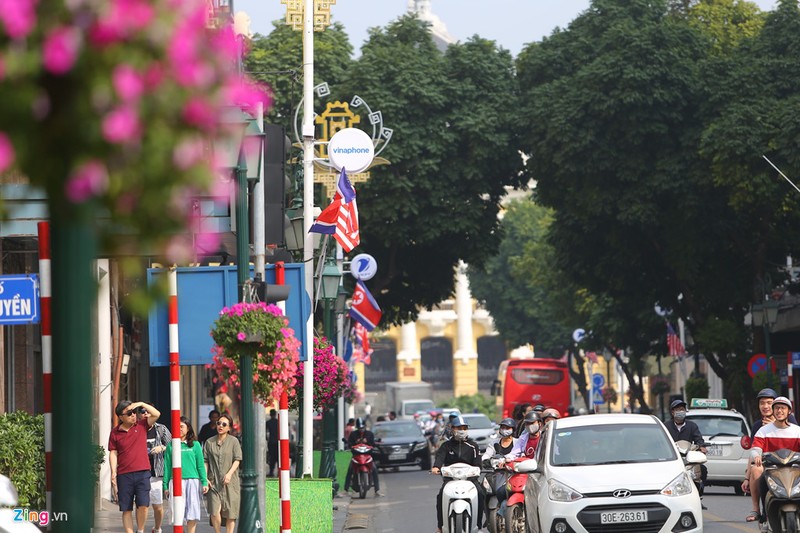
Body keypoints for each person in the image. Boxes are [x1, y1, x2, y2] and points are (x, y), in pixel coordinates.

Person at [108, 400, 161, 533]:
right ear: (121, 417)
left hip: (142, 472)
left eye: (134, 412)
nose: (133, 415)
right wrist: (113, 472)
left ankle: (141, 530)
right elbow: (113, 452)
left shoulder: (142, 425)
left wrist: (141, 404)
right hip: (124, 474)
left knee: (143, 505)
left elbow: (156, 414)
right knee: (126, 508)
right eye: (129, 413)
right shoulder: (115, 433)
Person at [747, 396, 800, 523]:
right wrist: (757, 456)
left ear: (789, 412)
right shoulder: (763, 430)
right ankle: (759, 510)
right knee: (756, 470)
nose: (779, 411)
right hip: (771, 468)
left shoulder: (797, 431)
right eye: (776, 408)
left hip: (794, 468)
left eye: (782, 408)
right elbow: (755, 448)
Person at [431, 415, 483, 533]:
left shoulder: (473, 446)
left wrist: (477, 470)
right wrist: (436, 467)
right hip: (451, 480)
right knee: (440, 497)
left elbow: (478, 464)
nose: (462, 431)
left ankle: (478, 526)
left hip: (470, 480)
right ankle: (440, 526)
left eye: (464, 428)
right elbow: (439, 459)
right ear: (452, 429)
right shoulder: (446, 446)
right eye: (459, 428)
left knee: (480, 494)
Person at [163, 416, 208, 533]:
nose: (179, 429)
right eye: (176, 427)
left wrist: (204, 482)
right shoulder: (170, 446)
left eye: (182, 426)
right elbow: (167, 466)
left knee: (192, 512)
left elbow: (200, 465)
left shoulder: (195, 445)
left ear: (188, 428)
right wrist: (165, 486)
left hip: (192, 481)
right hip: (176, 482)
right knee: (177, 512)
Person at [204, 413, 241, 533]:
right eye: (218, 423)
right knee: (214, 511)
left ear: (229, 428)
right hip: (213, 482)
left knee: (231, 512)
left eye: (224, 424)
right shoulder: (209, 442)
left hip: (230, 483)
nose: (220, 426)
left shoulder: (234, 441)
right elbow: (205, 461)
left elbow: (237, 459)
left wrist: (229, 474)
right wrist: (205, 478)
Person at [664, 399, 707, 501]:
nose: (680, 411)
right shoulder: (666, 426)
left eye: (682, 409)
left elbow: (699, 439)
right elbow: (660, 441)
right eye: (678, 409)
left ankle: (698, 495)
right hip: (671, 458)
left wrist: (701, 446)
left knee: (703, 470)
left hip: (688, 458)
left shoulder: (692, 426)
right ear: (672, 412)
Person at [139, 406, 171, 533]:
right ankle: (141, 530)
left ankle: (157, 528)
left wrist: (161, 448)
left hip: (157, 471)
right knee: (142, 505)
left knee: (157, 505)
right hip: (140, 471)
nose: (146, 414)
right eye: (143, 412)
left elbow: (172, 444)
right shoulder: (136, 428)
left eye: (148, 411)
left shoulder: (161, 428)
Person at [344, 418, 382, 497]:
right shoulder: (353, 434)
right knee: (350, 469)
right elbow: (349, 444)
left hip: (367, 455)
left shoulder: (369, 434)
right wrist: (355, 442)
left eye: (362, 428)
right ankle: (346, 489)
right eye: (360, 428)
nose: (361, 429)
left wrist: (367, 441)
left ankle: (377, 490)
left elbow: (373, 443)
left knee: (374, 469)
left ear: (365, 426)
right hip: (356, 456)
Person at [266, 409, 279, 477]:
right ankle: (279, 472)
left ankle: (271, 472)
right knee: (278, 458)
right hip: (278, 442)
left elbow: (265, 433)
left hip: (271, 442)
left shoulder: (268, 422)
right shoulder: (278, 422)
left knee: (272, 458)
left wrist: (267, 439)